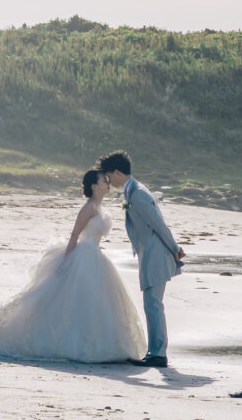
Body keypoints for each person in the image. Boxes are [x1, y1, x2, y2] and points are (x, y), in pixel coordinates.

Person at [0, 168, 146, 363]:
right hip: (84, 256)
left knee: (95, 302)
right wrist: (67, 261)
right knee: (81, 300)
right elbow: (75, 234)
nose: (107, 183)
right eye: (104, 181)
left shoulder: (98, 207)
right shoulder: (89, 208)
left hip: (95, 255)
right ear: (94, 186)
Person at [98, 150, 185, 368]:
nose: (108, 180)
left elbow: (158, 224)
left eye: (109, 175)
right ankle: (156, 351)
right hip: (150, 253)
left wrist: (175, 249)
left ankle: (158, 354)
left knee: (153, 305)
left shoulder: (137, 193)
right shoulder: (133, 191)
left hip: (156, 254)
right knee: (152, 304)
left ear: (118, 172)